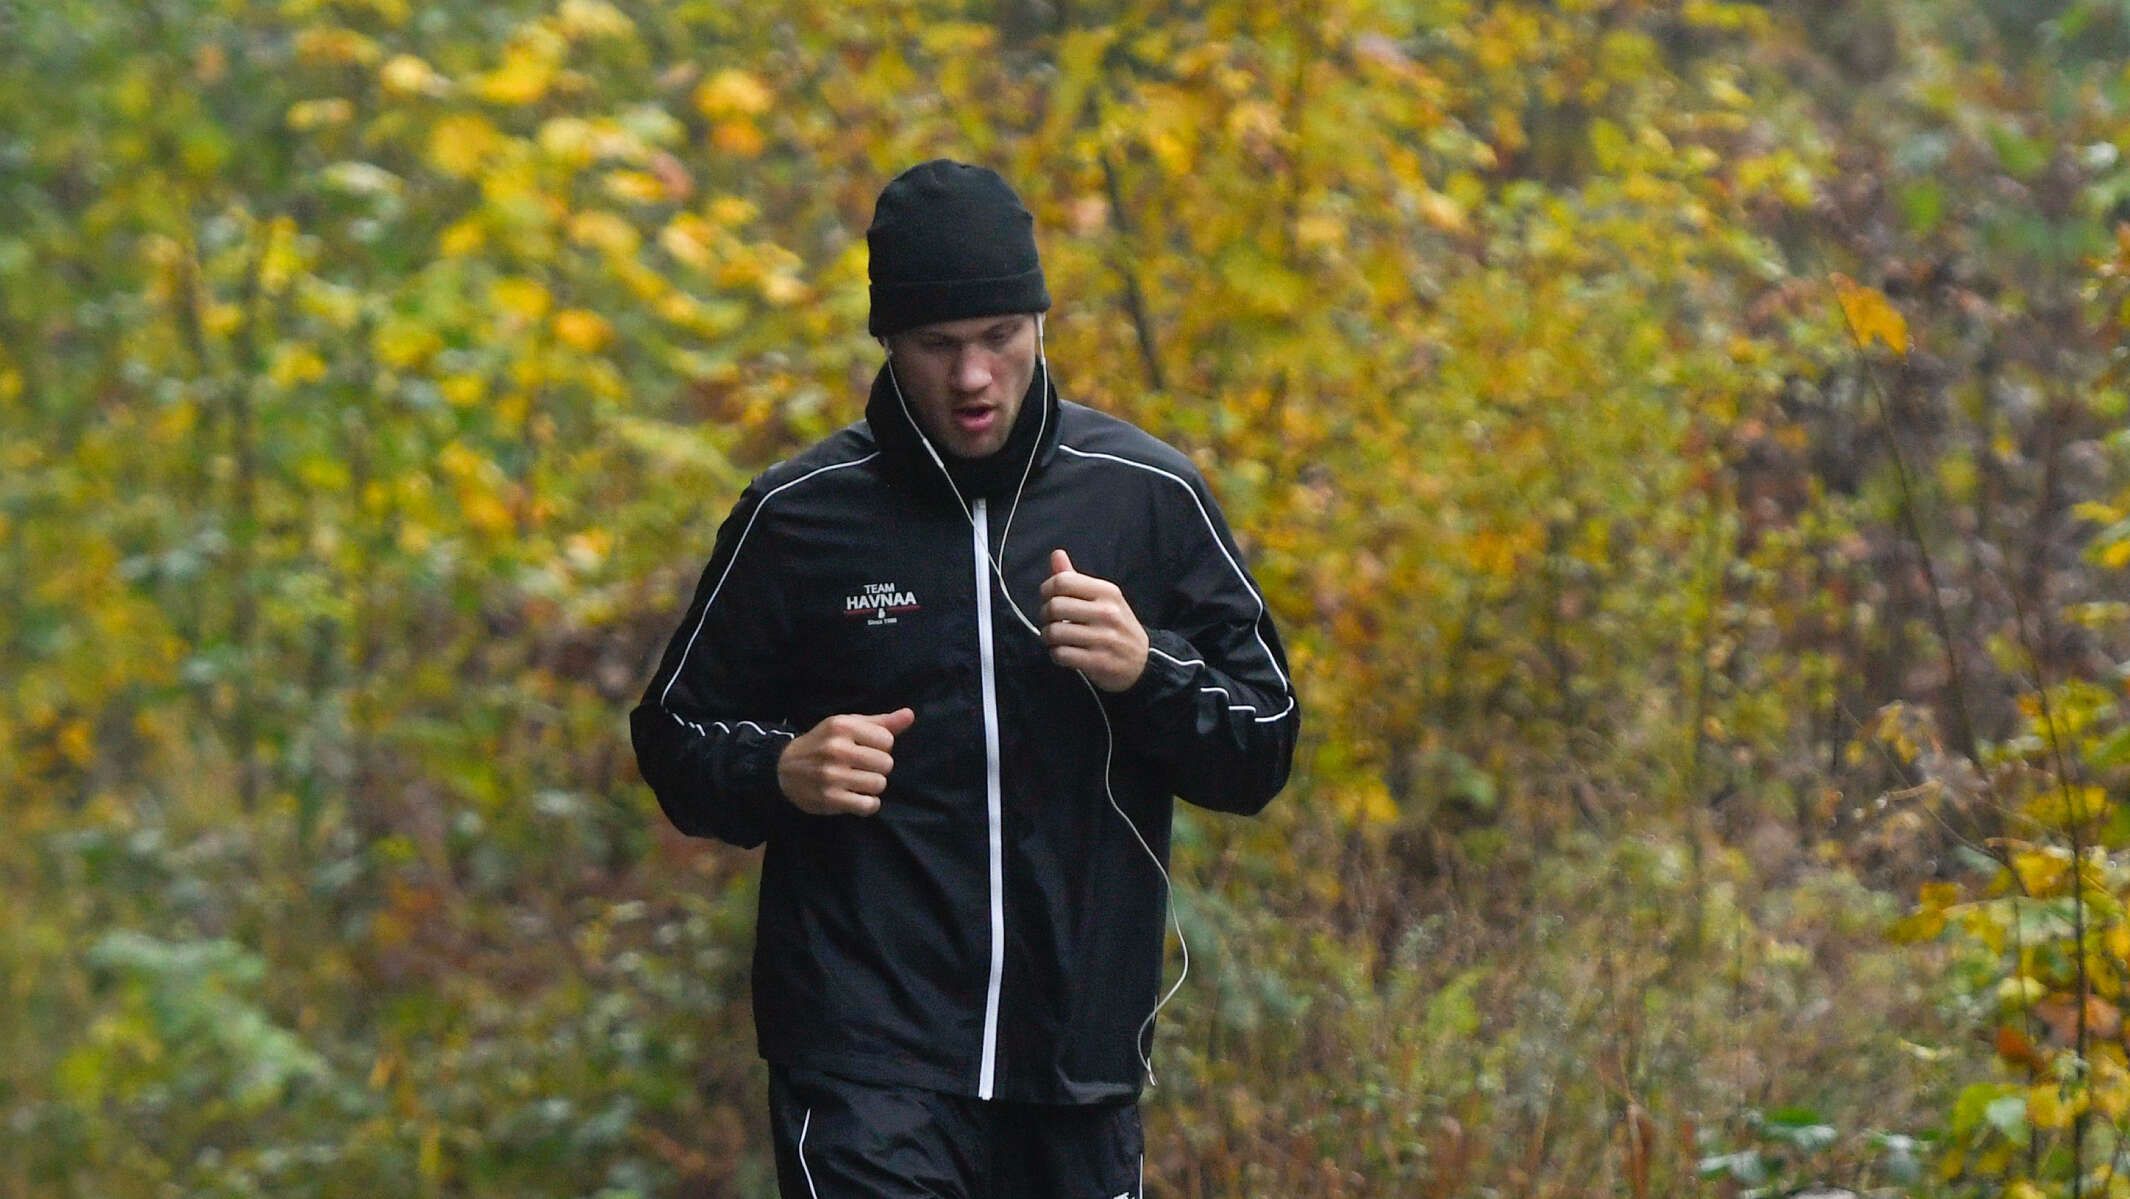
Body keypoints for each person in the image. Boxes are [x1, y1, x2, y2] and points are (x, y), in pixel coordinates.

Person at [629, 159, 1298, 1199]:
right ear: (890, 343)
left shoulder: (1146, 495)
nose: (975, 376)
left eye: (1000, 335)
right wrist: (780, 769)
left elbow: (1263, 744)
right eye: (940, 345)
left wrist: (1147, 669)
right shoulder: (800, 516)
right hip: (863, 1060)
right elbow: (673, 734)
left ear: (1040, 322)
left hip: (1075, 1068)